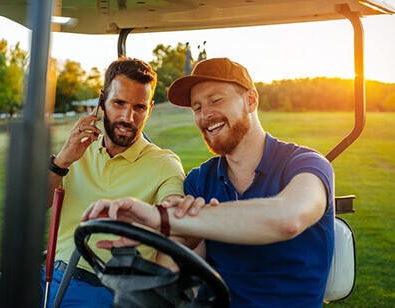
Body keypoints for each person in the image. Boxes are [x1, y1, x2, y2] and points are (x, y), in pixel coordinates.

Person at [0, 57, 185, 308]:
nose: (127, 117)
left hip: (105, 291)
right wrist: (61, 162)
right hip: (44, 277)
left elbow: (175, 209)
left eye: (139, 107)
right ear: (102, 101)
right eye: (119, 103)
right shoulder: (76, 151)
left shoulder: (163, 163)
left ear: (149, 109)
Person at [83, 57, 335, 308]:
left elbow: (287, 219)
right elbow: (184, 260)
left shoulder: (306, 164)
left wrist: (163, 219)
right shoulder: (199, 181)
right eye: (197, 108)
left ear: (250, 100)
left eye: (216, 100)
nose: (205, 115)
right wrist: (150, 235)